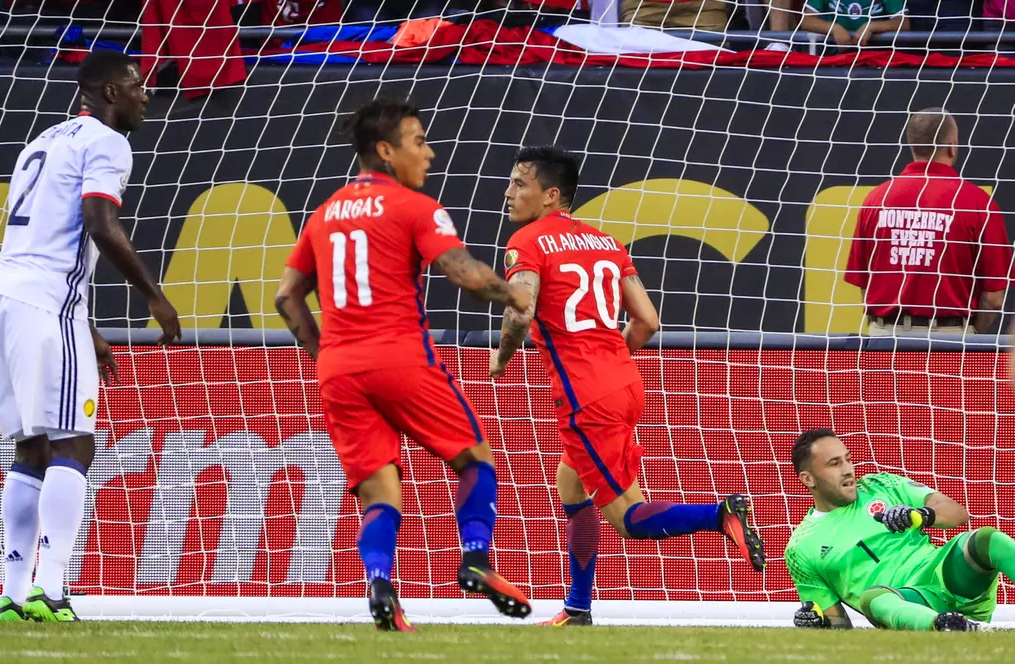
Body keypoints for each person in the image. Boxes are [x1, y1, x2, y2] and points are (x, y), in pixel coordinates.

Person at [274, 96, 533, 632]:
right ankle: (477, 560)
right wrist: (516, 296)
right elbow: (464, 274)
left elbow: (286, 297)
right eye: (419, 142)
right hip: (400, 357)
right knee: (474, 458)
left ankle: (380, 584)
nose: (431, 154)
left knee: (378, 490)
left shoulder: (323, 214)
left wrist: (325, 354)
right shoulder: (416, 207)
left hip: (339, 370)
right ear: (386, 151)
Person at [490, 146, 766, 628]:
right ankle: (577, 608)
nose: (508, 191)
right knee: (570, 488)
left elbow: (521, 309)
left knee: (628, 519)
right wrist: (609, 359)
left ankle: (720, 513)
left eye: (519, 183)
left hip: (584, 395)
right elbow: (648, 320)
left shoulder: (526, 241)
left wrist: (503, 355)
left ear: (551, 195)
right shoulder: (606, 243)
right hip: (621, 379)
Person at [0, 49, 181, 623]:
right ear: (109, 92)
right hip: (43, 304)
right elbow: (99, 222)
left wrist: (83, 325)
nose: (146, 94)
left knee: (32, 448)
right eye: (136, 85)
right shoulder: (110, 142)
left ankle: (14, 597)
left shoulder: (41, 141)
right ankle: (52, 589)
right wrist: (153, 296)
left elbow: (43, 239)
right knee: (74, 442)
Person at [785, 428, 1015, 631]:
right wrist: (816, 623)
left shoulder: (882, 485)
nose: (848, 470)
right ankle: (950, 627)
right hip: (908, 602)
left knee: (986, 539)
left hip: (946, 576)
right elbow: (839, 626)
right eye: (834, 464)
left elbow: (957, 512)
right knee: (873, 598)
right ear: (808, 479)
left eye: (848, 459)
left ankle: (952, 624)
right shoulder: (801, 548)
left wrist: (920, 515)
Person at [846, 108, 1012, 337]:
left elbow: (865, 284)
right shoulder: (979, 204)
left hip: (885, 339)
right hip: (951, 341)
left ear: (912, 146)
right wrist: (970, 333)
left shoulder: (876, 200)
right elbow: (993, 297)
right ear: (952, 146)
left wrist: (884, 325)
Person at [799, 0, 908, 47]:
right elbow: (806, 21)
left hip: (876, 59)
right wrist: (833, 28)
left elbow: (904, 23)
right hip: (834, 57)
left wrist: (872, 27)